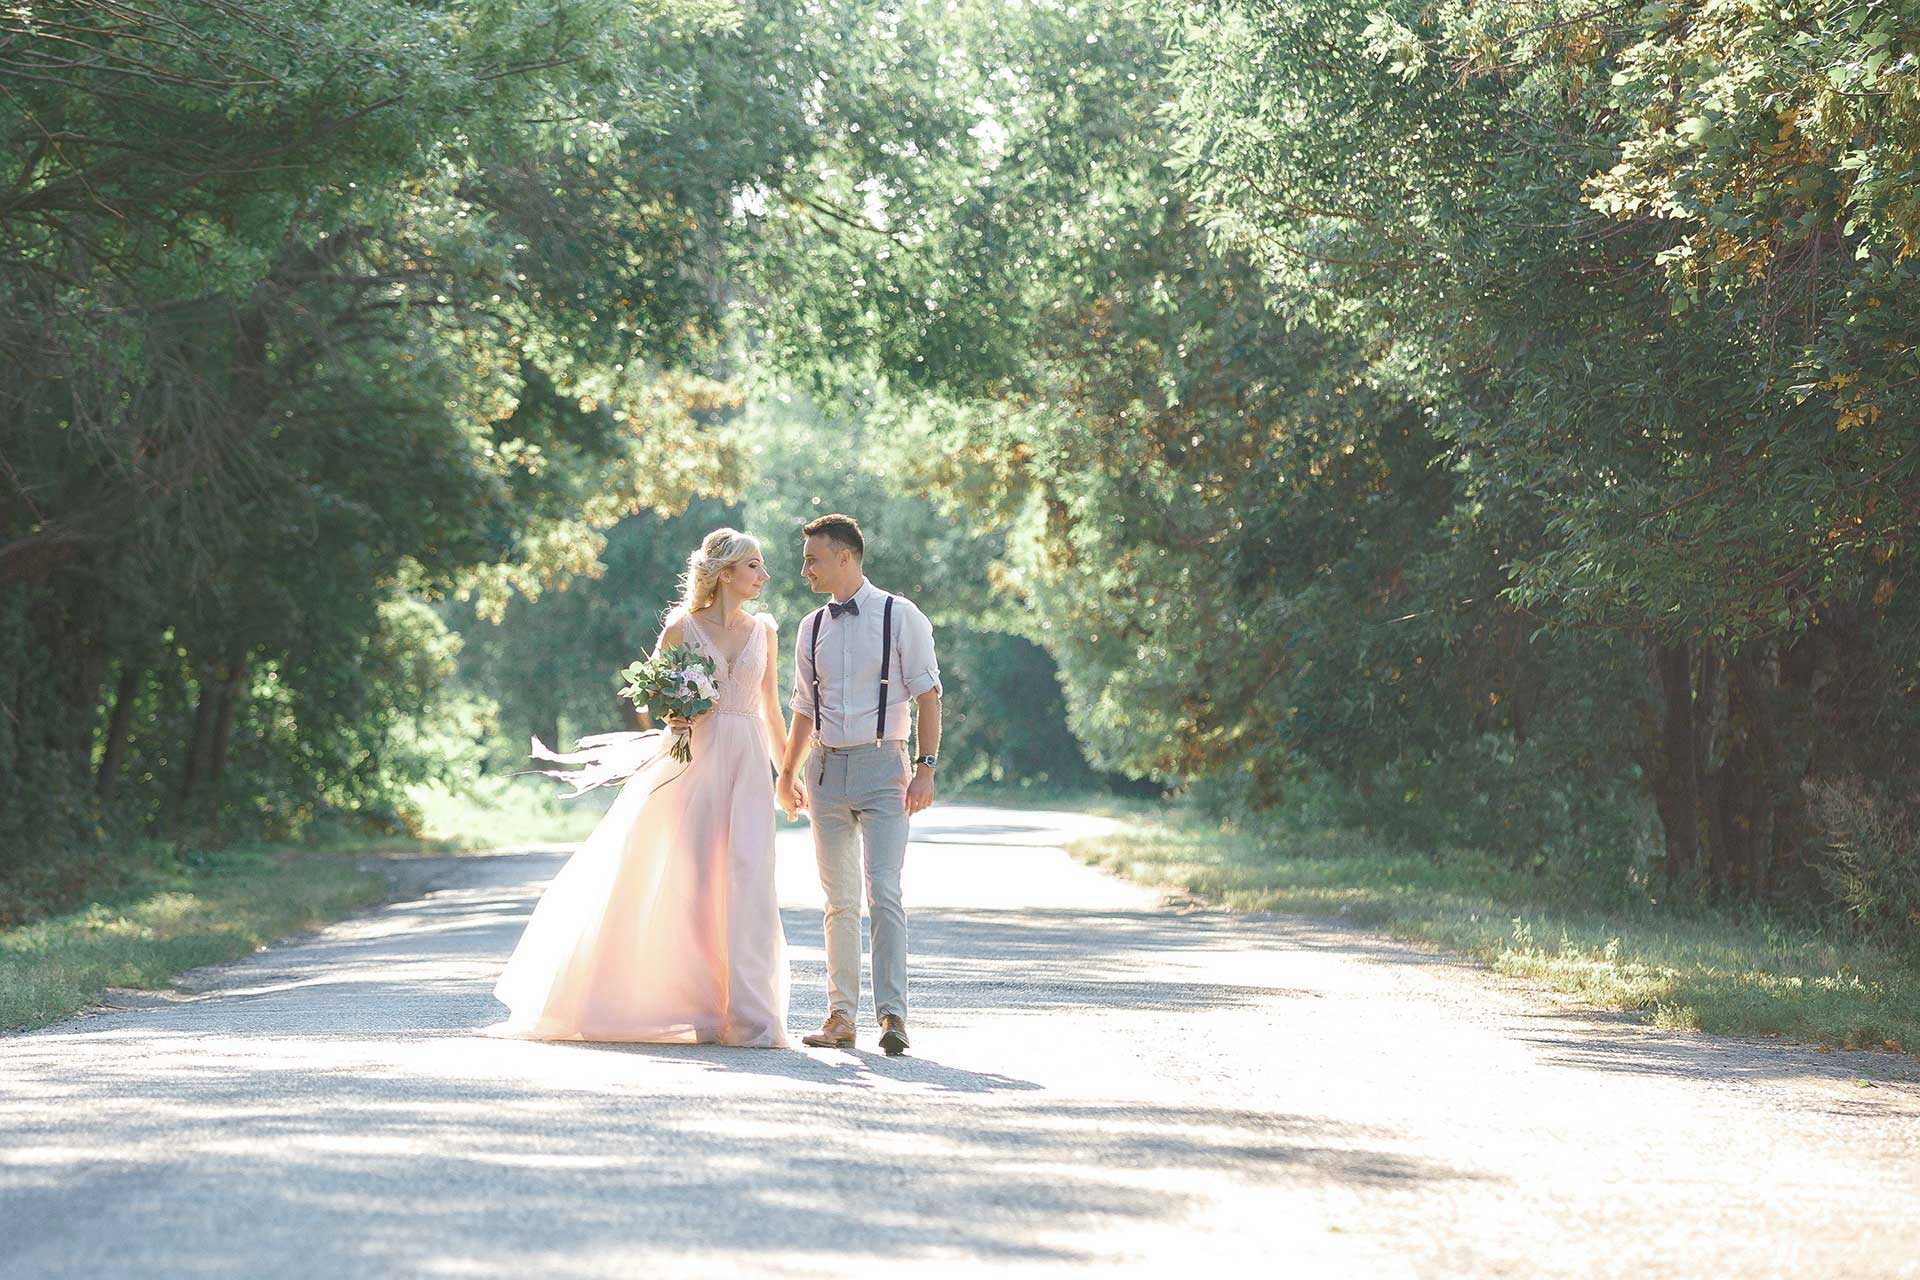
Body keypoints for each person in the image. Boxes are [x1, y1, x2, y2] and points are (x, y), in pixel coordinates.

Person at [487, 528, 791, 1047]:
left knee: (749, 883)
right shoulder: (681, 627)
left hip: (747, 766)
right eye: (754, 566)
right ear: (725, 574)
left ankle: (750, 1015)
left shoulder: (764, 630)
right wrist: (680, 708)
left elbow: (771, 709)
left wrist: (788, 775)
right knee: (694, 884)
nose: (764, 575)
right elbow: (655, 701)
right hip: (693, 761)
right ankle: (700, 1010)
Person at [776, 514, 942, 1056]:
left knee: (885, 892)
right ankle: (840, 1016)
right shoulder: (810, 627)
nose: (804, 569)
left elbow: (928, 696)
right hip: (825, 771)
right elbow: (803, 707)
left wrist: (926, 766)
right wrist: (788, 773)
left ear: (844, 556)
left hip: (883, 765)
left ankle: (893, 1015)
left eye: (813, 559)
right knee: (838, 901)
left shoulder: (901, 616)